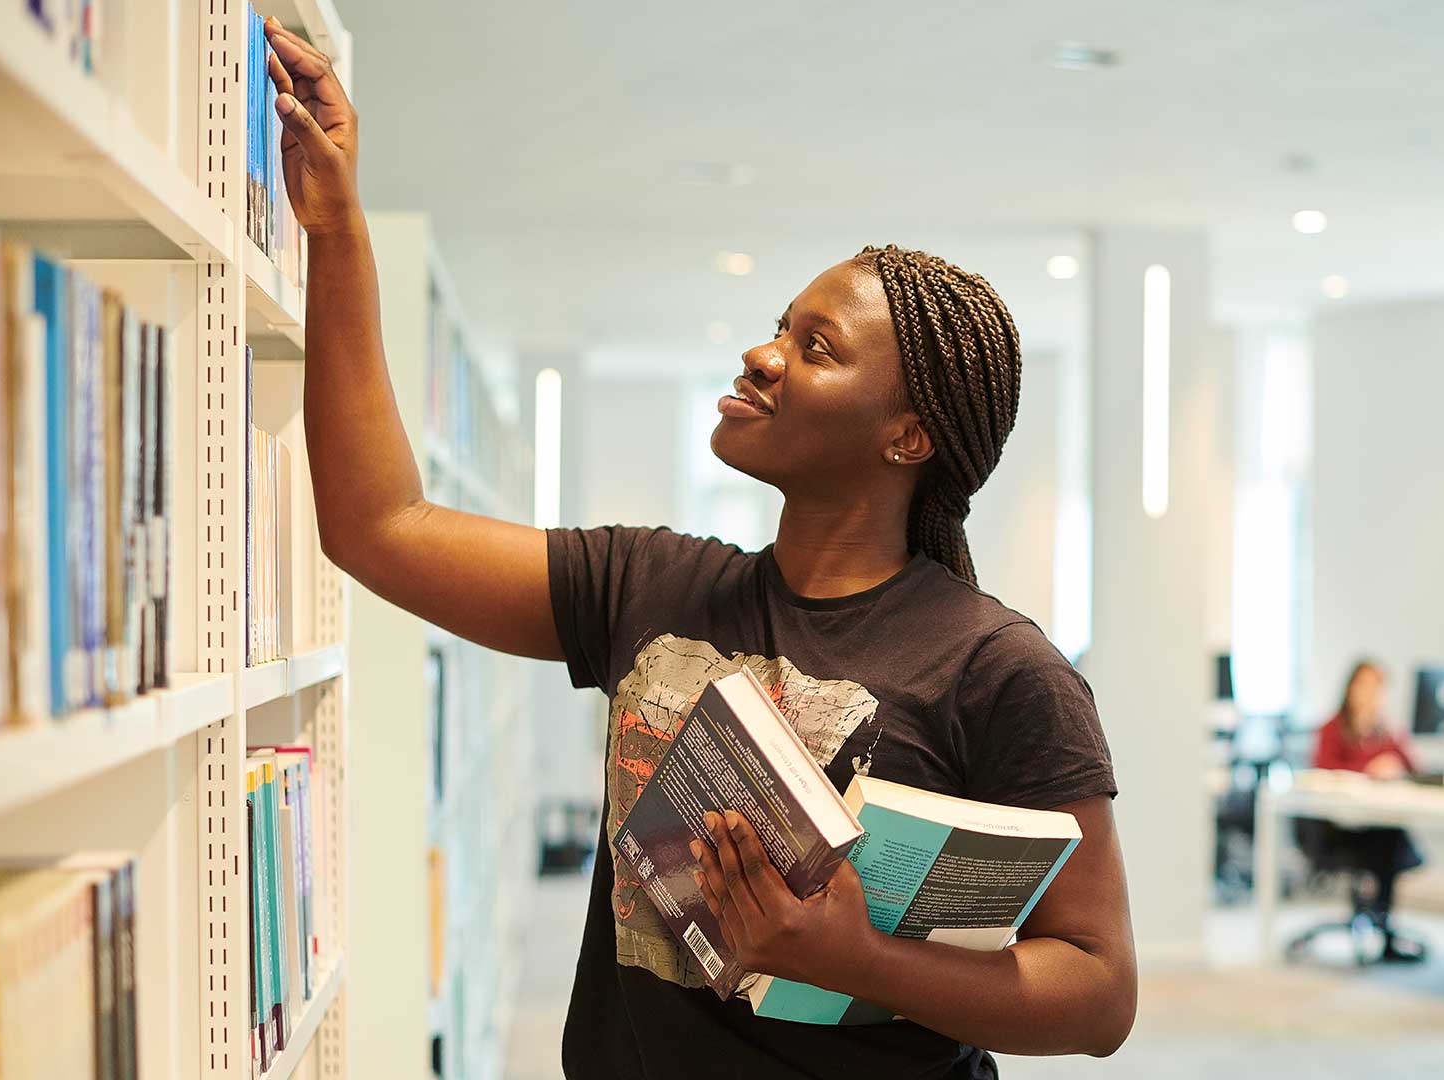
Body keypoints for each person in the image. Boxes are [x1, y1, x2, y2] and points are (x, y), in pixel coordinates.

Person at [260, 20, 1135, 1080]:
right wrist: (338, 228)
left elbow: (1098, 993)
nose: (761, 354)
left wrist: (858, 958)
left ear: (908, 436)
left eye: (815, 348)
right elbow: (379, 527)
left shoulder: (1001, 671)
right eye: (778, 325)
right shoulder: (646, 584)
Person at [1307, 659, 1426, 963]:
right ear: (1350, 688)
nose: (1371, 694)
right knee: (1387, 839)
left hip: (1375, 825)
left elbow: (1413, 768)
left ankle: (1385, 929)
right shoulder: (1331, 729)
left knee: (1391, 834)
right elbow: (1325, 771)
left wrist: (1393, 759)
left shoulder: (1383, 730)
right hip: (1337, 828)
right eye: (1366, 686)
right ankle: (1381, 924)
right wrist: (1368, 770)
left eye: (1378, 688)